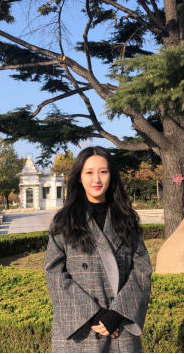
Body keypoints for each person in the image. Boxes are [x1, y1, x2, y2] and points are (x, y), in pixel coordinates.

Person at [45, 146, 152, 353]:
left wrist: (119, 312)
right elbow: (54, 272)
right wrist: (92, 313)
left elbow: (142, 269)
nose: (97, 179)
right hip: (80, 328)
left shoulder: (127, 219)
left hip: (119, 326)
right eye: (89, 172)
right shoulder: (64, 221)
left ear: (112, 176)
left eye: (103, 171)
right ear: (79, 177)